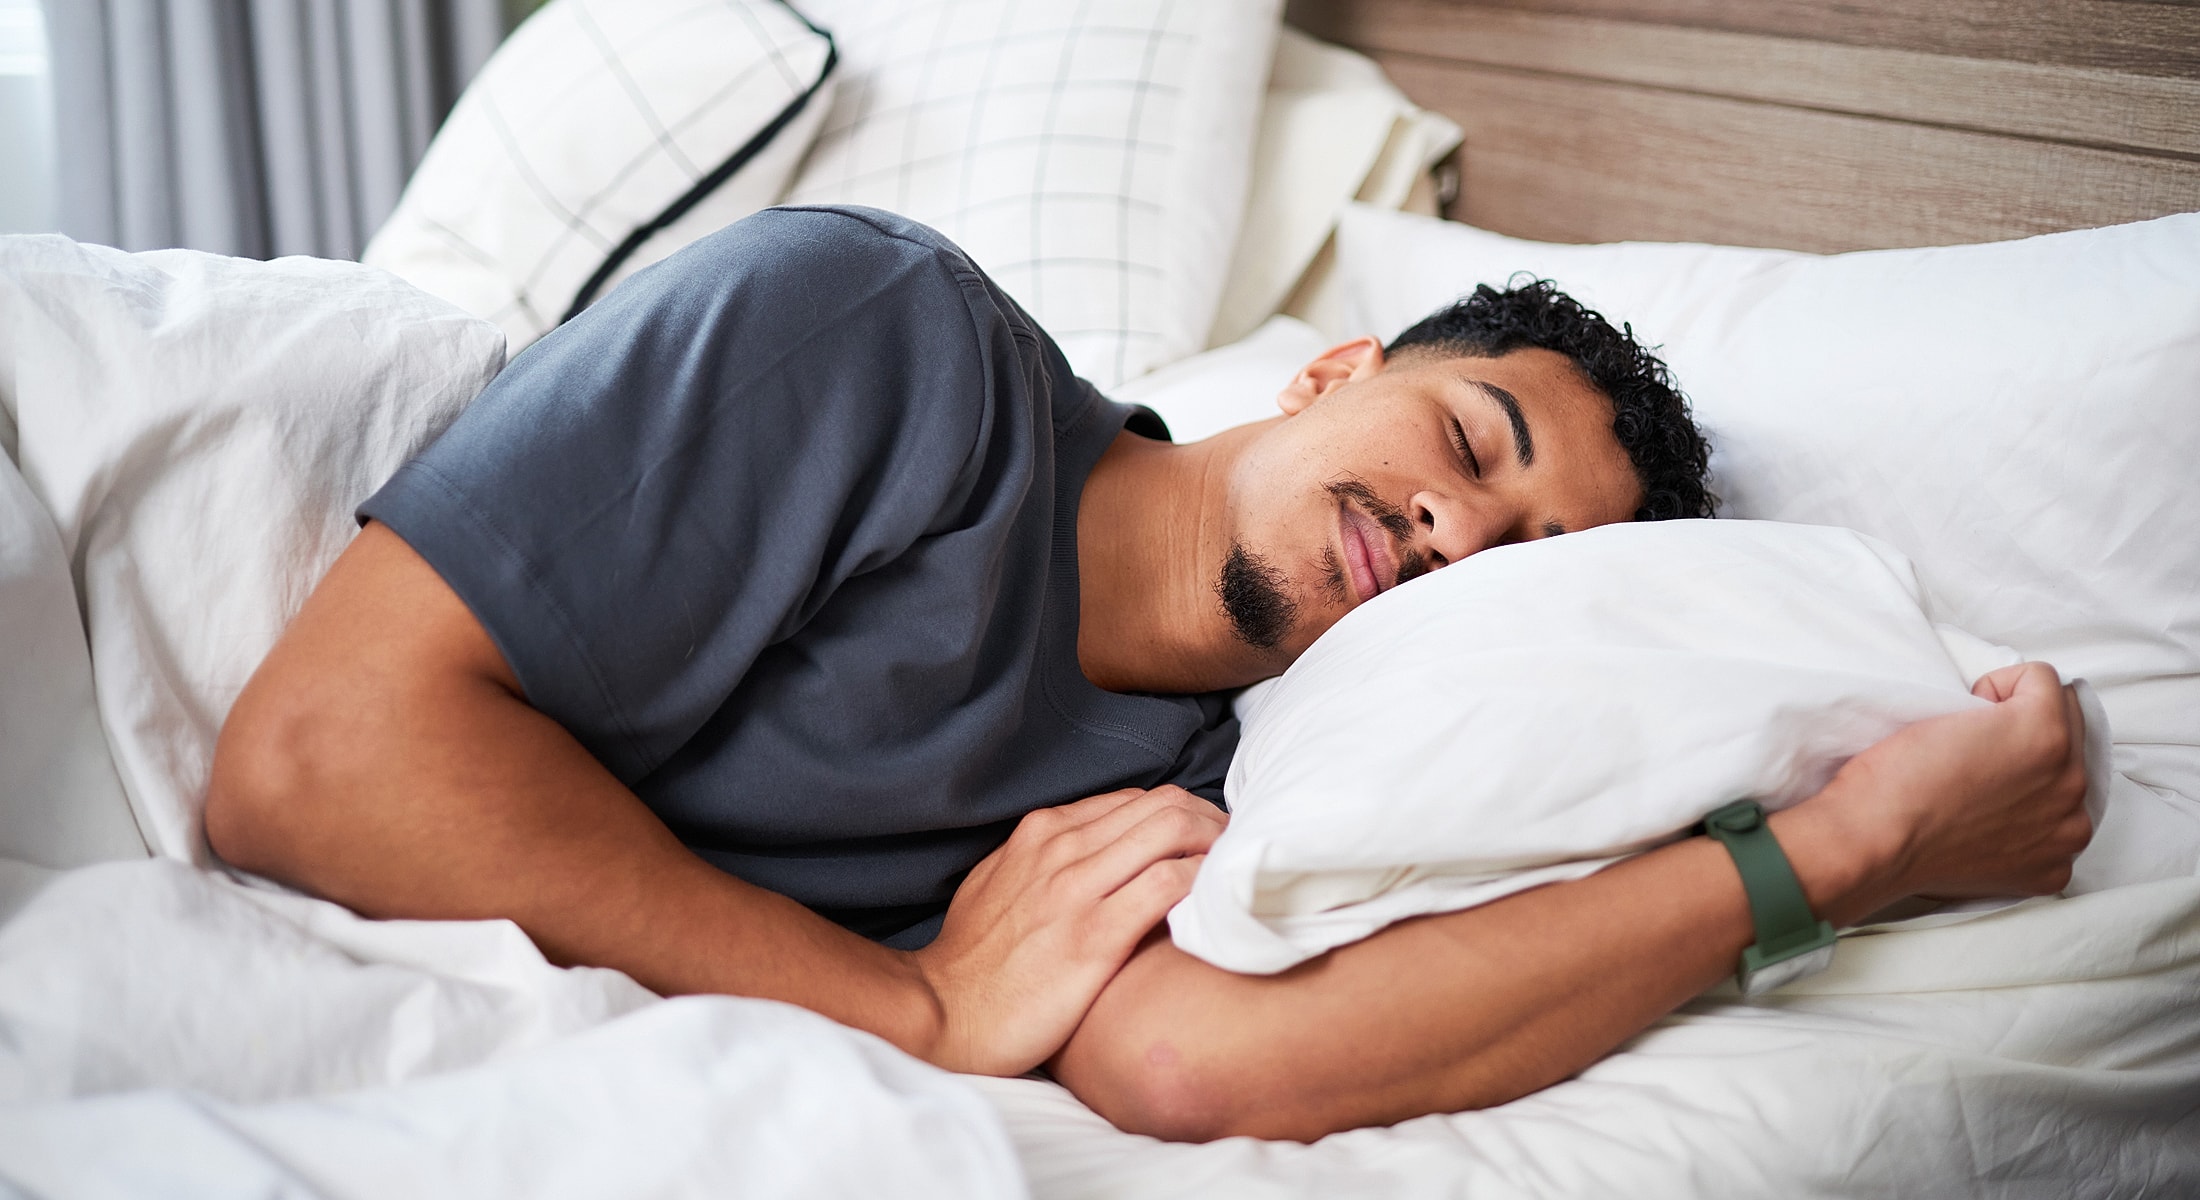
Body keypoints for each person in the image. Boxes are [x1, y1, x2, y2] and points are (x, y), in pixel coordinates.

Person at [205, 206, 2091, 1143]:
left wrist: (1839, 859)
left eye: (1521, 569)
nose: (1453, 531)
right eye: (1475, 441)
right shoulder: (883, 338)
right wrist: (916, 1011)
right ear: (1334, 369)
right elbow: (308, 758)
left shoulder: (1231, 770)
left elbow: (1193, 1056)